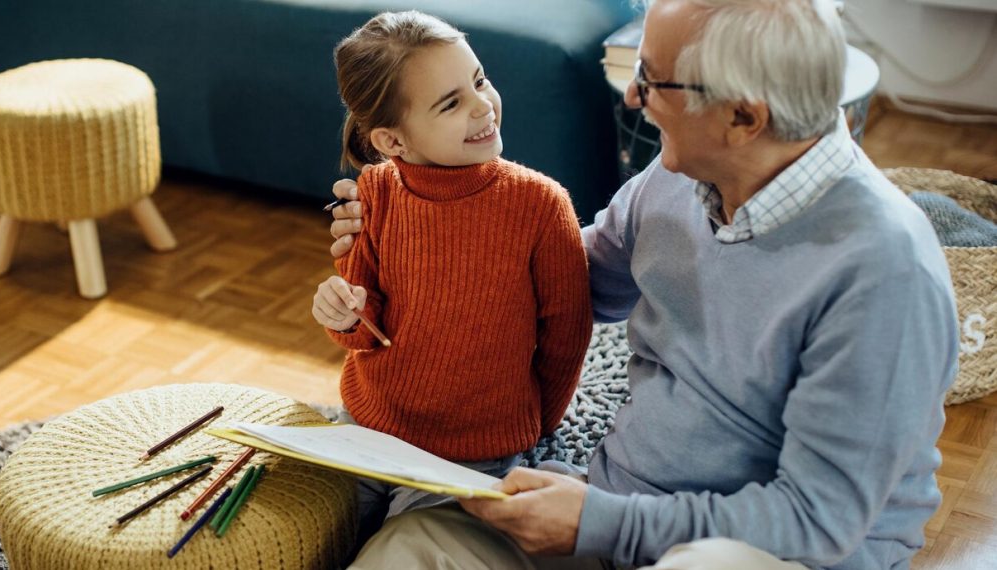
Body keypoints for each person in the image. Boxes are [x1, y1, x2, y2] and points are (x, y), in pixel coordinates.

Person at [326, 1, 959, 568]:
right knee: (410, 550)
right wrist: (415, 239)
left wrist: (602, 523)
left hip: (763, 548)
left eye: (653, 79)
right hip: (617, 506)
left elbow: (817, 521)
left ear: (743, 116)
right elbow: (564, 281)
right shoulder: (683, 176)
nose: (632, 95)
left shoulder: (884, 272)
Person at [311, 11, 593, 535]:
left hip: (473, 452)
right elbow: (362, 328)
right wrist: (344, 315)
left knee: (406, 551)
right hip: (368, 425)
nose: (483, 105)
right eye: (451, 103)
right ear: (392, 142)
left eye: (479, 81)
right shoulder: (374, 194)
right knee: (309, 529)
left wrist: (538, 423)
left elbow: (567, 333)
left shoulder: (540, 204)